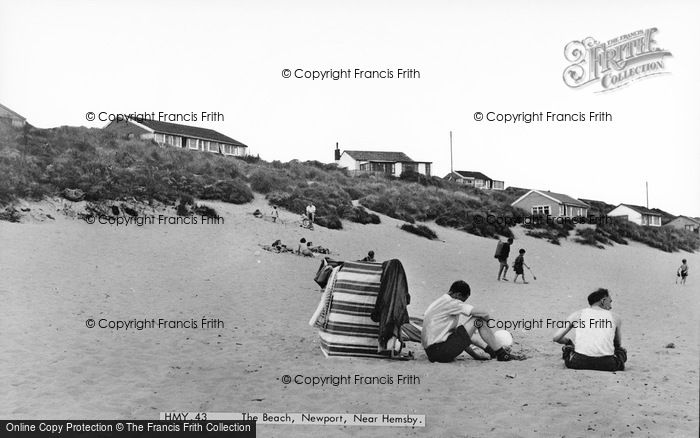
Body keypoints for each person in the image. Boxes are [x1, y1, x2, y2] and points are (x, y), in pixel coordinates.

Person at [421, 280, 526, 363]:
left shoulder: (439, 302)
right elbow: (483, 313)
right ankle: (502, 354)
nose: (461, 303)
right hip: (441, 351)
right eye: (462, 300)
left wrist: (476, 356)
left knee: (462, 330)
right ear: (457, 295)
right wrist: (488, 323)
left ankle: (493, 351)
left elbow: (462, 338)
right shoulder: (451, 302)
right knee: (478, 320)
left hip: (433, 353)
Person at [553, 288, 626, 372]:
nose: (611, 306)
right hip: (607, 365)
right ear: (603, 301)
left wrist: (568, 341)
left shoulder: (577, 314)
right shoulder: (615, 317)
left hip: (578, 362)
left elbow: (556, 337)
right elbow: (617, 344)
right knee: (621, 351)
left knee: (568, 348)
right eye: (610, 302)